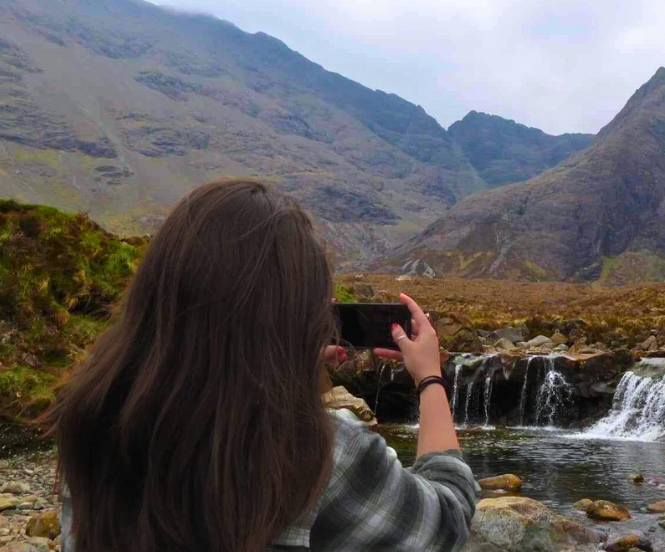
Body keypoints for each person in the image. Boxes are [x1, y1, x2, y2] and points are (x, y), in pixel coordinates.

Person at [44, 179, 478, 552]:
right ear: (293, 320)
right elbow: (447, 518)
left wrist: (292, 369)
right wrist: (430, 379)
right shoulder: (318, 451)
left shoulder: (93, 421)